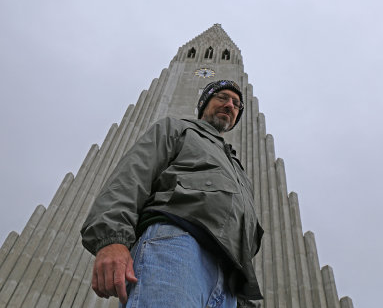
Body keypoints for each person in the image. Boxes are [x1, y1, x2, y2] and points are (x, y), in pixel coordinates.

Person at [81, 80, 264, 308]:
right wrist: (111, 240)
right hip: (176, 247)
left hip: (227, 282)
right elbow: (133, 176)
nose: (230, 105)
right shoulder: (177, 128)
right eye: (222, 97)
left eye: (237, 104)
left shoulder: (236, 166)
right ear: (203, 103)